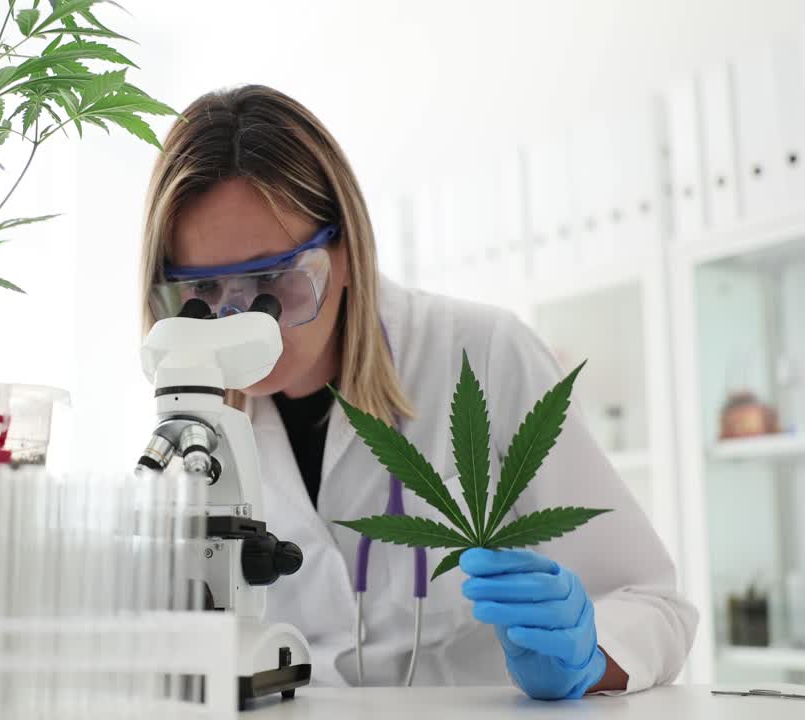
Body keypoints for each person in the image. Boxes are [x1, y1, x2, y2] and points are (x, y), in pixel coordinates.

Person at [137, 85, 697, 699]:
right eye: (203, 291)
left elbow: (654, 605)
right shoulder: (194, 423)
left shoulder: (483, 353)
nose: (239, 317)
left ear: (346, 251)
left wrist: (588, 656)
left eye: (272, 280)